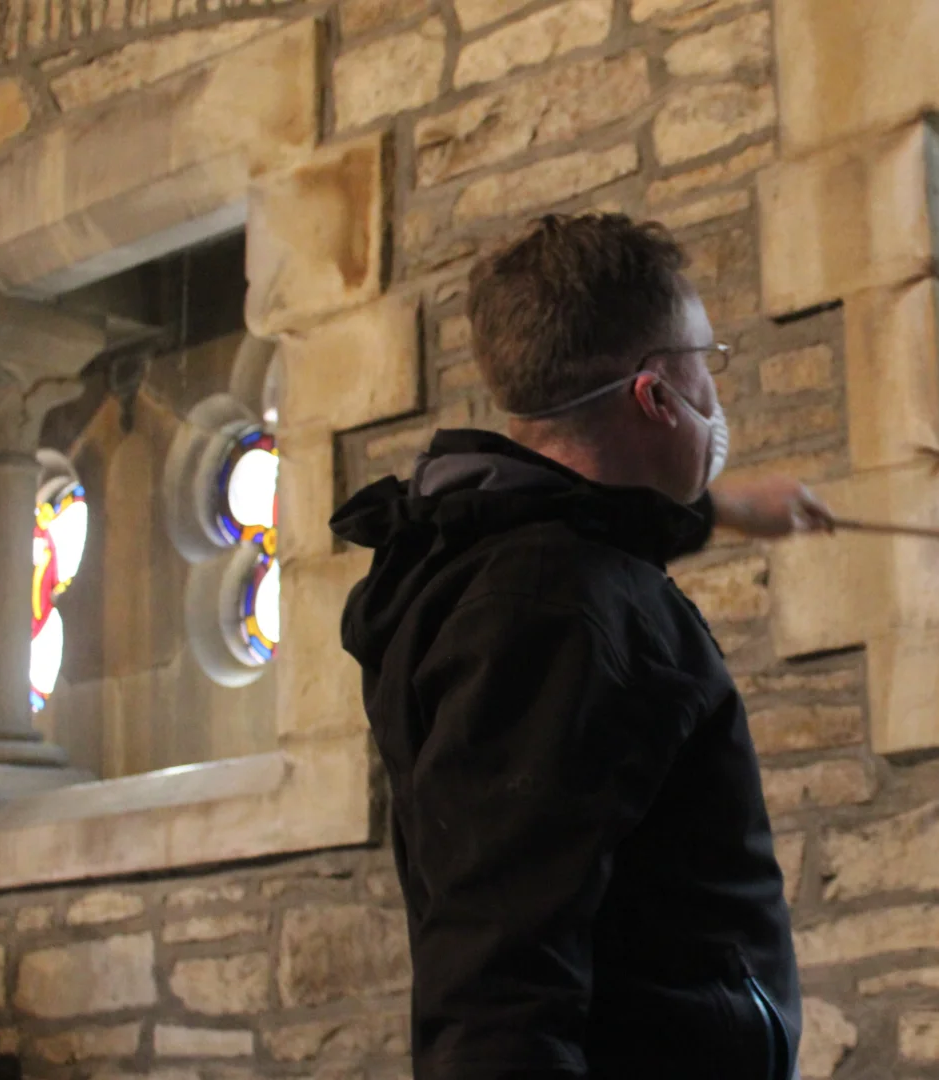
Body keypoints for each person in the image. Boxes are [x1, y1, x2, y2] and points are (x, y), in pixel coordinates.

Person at [332, 214, 831, 1080]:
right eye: (706, 365)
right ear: (655, 397)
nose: (716, 398)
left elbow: (585, 534)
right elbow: (498, 981)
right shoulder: (548, 609)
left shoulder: (518, 553)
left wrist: (726, 509)